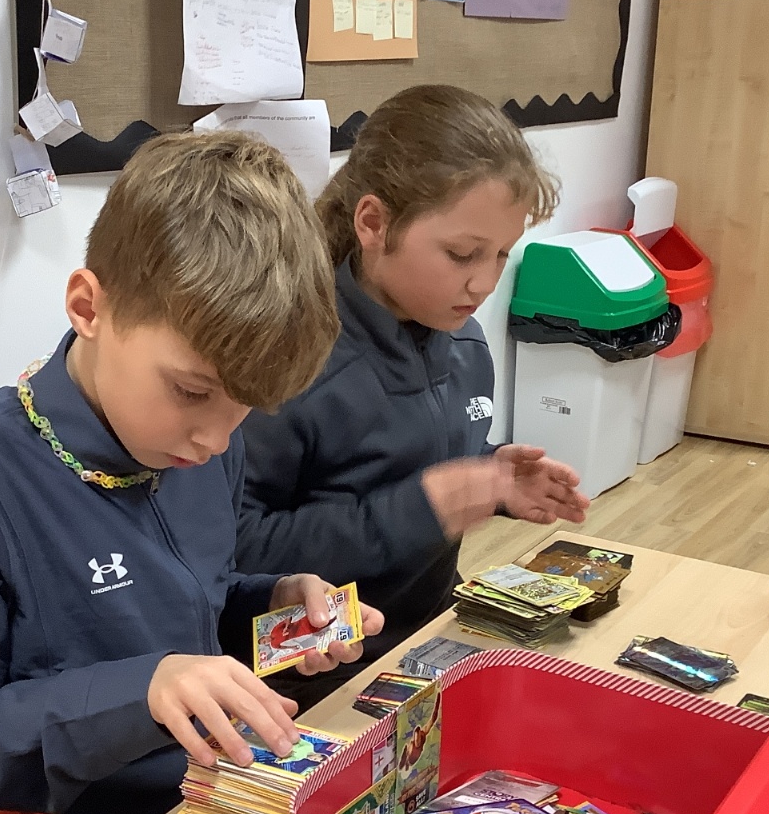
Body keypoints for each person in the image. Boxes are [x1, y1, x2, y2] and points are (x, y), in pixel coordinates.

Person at [0, 131, 380, 814]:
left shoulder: (196, 440)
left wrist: (272, 604)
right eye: (191, 392)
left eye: (245, 412)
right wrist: (140, 691)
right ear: (88, 307)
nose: (216, 441)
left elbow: (187, 603)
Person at [236, 85, 590, 708]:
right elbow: (236, 547)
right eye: (462, 254)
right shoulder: (287, 364)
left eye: (501, 255)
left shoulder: (464, 342)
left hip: (428, 640)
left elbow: (417, 450)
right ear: (373, 223)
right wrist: (425, 507)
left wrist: (495, 475)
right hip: (312, 678)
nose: (484, 283)